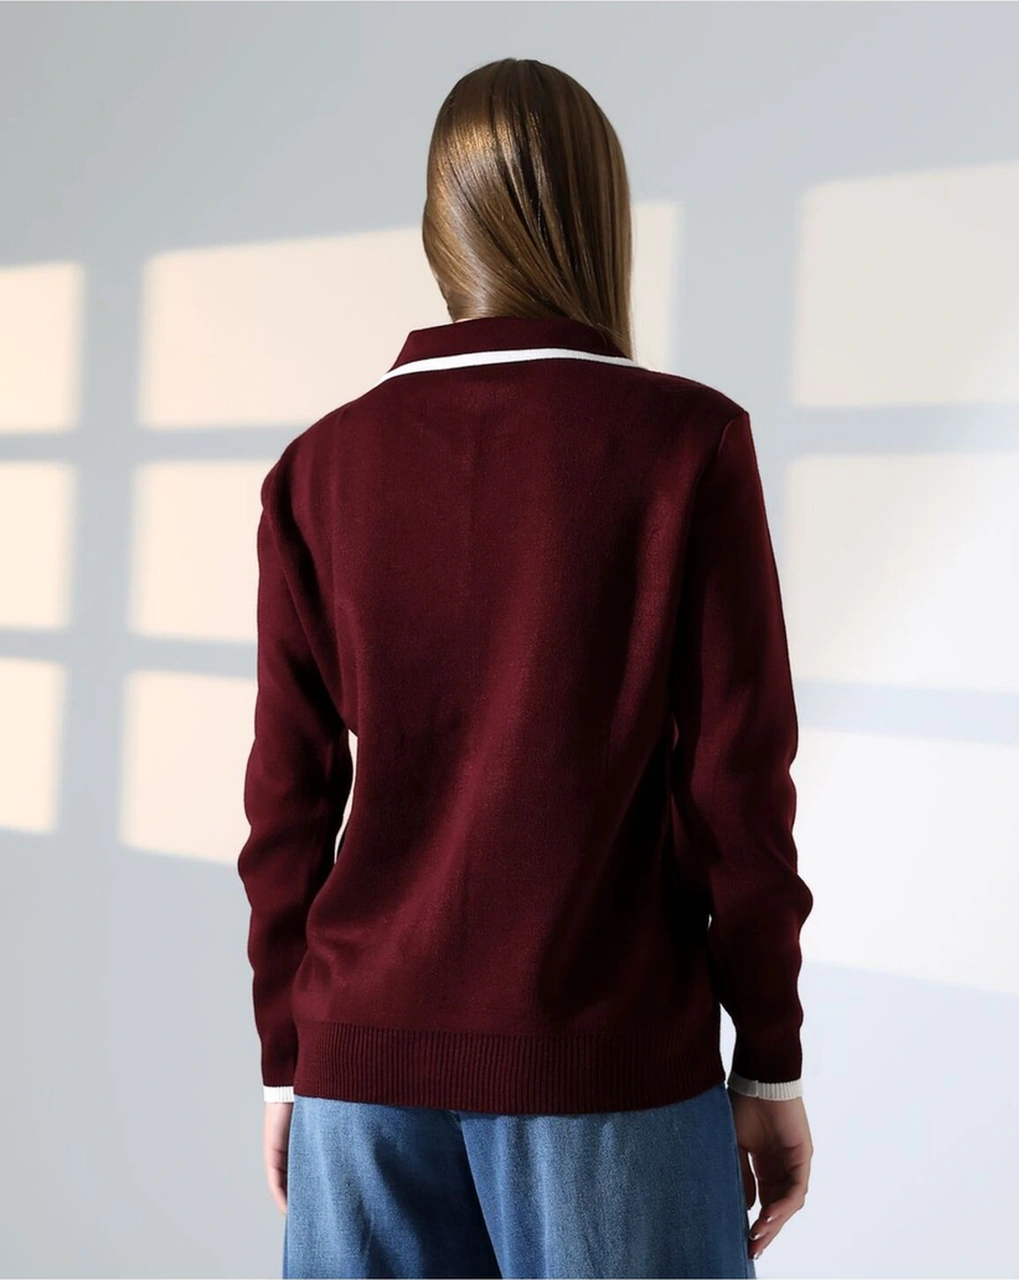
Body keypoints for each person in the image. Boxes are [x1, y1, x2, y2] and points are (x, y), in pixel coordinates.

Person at [236, 56, 814, 1280]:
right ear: (598, 217)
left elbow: (285, 801)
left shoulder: (318, 466)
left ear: (440, 228)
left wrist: (290, 1057)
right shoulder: (684, 442)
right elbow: (738, 790)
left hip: (360, 1075)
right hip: (606, 1067)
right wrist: (768, 1059)